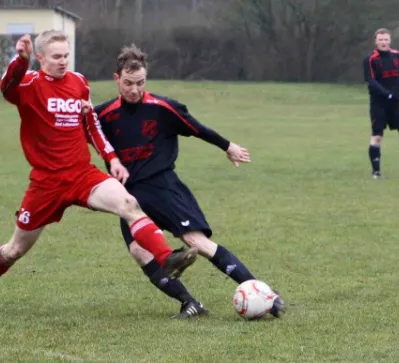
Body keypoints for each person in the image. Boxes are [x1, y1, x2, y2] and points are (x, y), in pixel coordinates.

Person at [0, 31, 198, 313]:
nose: (63, 62)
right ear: (40, 58)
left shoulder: (79, 83)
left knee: (129, 204)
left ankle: (167, 258)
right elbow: (6, 87)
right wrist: (19, 61)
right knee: (15, 249)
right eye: (57, 56)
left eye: (66, 56)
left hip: (81, 174)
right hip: (46, 183)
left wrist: (112, 159)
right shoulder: (29, 83)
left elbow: (91, 125)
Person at [92, 44, 285, 318]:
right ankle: (189, 303)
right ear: (116, 79)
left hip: (163, 188)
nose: (134, 90)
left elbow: (197, 128)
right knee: (139, 251)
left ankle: (266, 295)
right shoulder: (103, 115)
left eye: (140, 83)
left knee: (198, 243)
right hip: (128, 196)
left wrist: (227, 146)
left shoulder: (163, 108)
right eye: (127, 83)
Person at [363, 28, 399, 179]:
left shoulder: (397, 55)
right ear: (376, 41)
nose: (383, 42)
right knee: (377, 137)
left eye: (386, 39)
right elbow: (371, 81)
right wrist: (386, 94)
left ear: (390, 40)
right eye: (381, 40)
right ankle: (376, 172)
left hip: (396, 104)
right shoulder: (370, 59)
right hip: (379, 104)